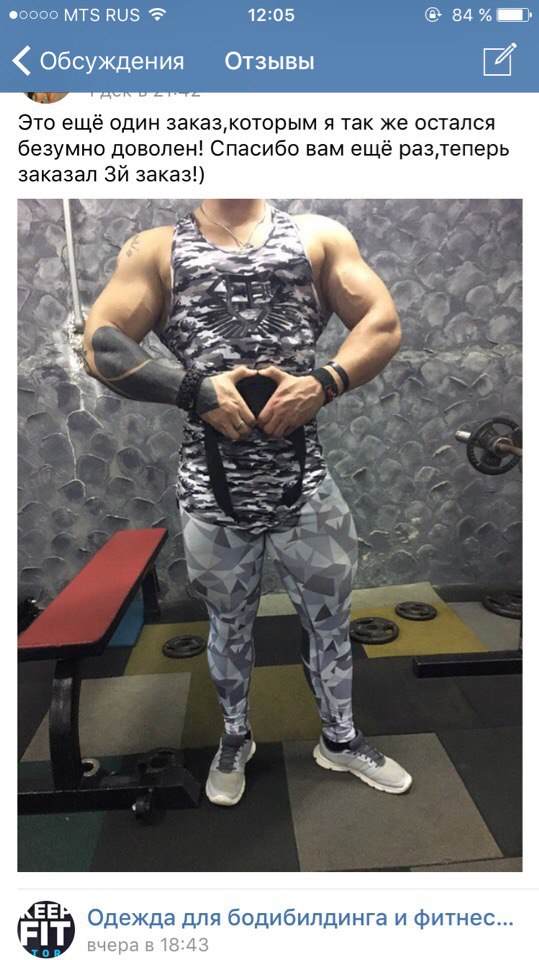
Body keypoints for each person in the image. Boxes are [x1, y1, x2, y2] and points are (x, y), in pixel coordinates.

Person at [83, 199, 412, 806]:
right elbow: (102, 346)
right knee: (228, 626)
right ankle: (235, 737)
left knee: (331, 622)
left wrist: (326, 382)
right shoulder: (155, 249)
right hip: (212, 494)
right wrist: (193, 389)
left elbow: (383, 323)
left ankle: (340, 739)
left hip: (305, 487)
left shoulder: (317, 237)